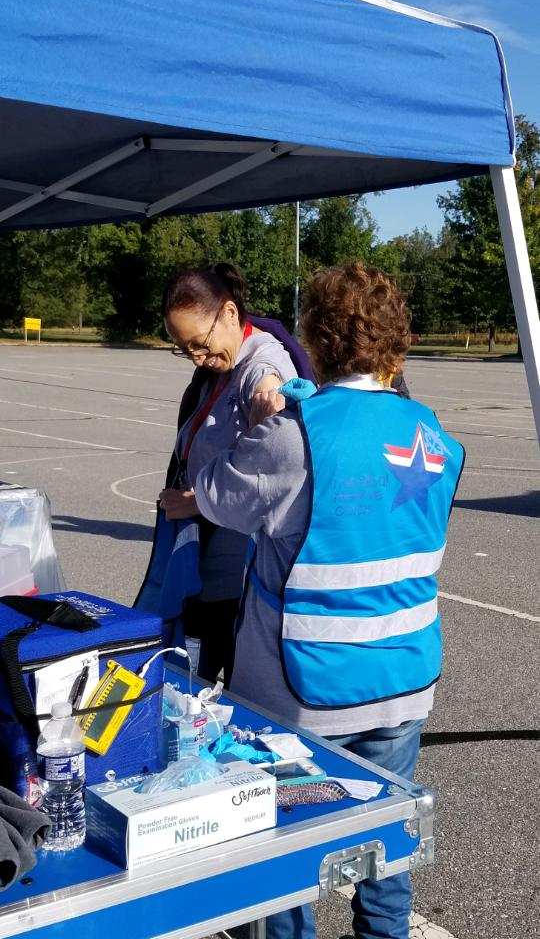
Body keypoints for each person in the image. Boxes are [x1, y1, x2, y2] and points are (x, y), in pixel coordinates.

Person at [194, 262, 465, 939]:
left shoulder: (295, 432)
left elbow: (215, 496)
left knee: (287, 861)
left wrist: (256, 424)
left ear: (316, 336)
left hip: (305, 691)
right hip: (404, 680)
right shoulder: (433, 433)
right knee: (386, 847)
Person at [136, 262, 313, 683]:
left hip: (234, 556)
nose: (197, 357)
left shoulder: (262, 366)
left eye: (200, 343)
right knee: (197, 649)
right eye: (185, 348)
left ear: (230, 314)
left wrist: (195, 500)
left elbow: (272, 474)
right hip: (210, 538)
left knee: (209, 660)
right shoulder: (224, 363)